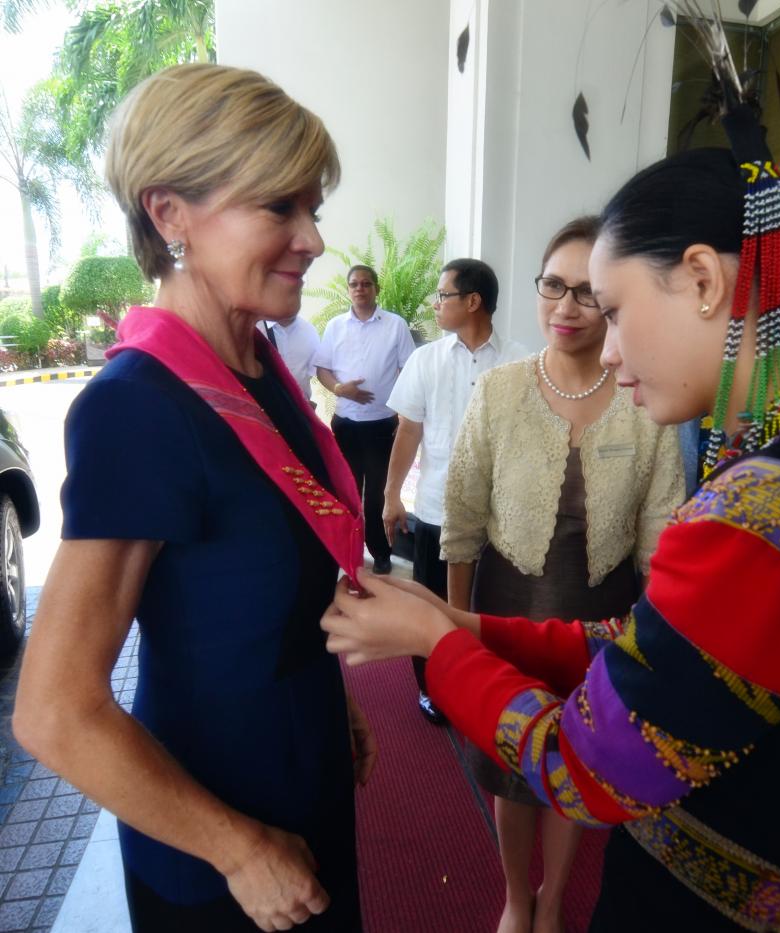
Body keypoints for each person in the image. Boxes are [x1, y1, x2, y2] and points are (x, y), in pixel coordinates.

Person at [322, 108, 780, 931]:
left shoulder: (758, 512)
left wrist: (432, 645)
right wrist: (459, 617)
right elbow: (661, 651)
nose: (609, 346)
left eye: (616, 309)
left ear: (702, 279)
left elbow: (582, 766)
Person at [13, 64, 374, 932]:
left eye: (312, 209)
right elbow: (54, 710)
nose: (314, 240)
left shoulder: (257, 364)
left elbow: (247, 597)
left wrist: (333, 699)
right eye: (278, 208)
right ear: (168, 212)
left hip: (306, 778)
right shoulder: (138, 405)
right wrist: (237, 847)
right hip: (220, 850)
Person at [439, 215, 684, 933]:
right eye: (553, 286)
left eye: (586, 292)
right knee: (510, 764)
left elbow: (662, 531)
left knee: (579, 758)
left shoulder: (644, 401)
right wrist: (455, 628)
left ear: (610, 302)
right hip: (507, 598)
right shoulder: (500, 391)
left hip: (600, 610)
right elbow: (462, 516)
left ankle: (553, 901)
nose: (566, 307)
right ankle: (518, 895)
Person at [383, 258, 527, 726]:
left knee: (490, 609)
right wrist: (390, 496)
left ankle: (489, 690)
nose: (436, 303)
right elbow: (408, 431)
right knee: (431, 607)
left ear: (472, 301)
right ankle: (434, 689)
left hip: (497, 519)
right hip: (434, 509)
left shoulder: (520, 362)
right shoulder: (426, 360)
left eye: (443, 295)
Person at [315, 264, 416, 574]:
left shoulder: (395, 325)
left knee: (375, 495)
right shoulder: (335, 326)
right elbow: (322, 368)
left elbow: (409, 370)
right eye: (354, 284)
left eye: (366, 284)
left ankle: (381, 554)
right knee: (345, 492)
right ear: (348, 290)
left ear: (376, 289)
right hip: (346, 423)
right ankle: (346, 552)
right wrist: (339, 389)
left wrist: (403, 408)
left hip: (381, 424)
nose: (360, 288)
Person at [260, 311, 321, 402]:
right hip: (262, 408)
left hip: (299, 408)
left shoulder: (309, 331)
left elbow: (313, 373)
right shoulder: (254, 328)